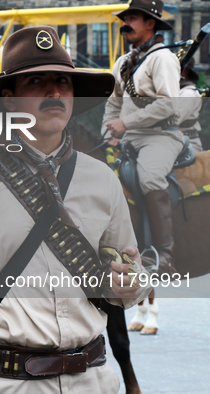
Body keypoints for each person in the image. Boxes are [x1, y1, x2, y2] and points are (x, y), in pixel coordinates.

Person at [0, 26, 151, 393]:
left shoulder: (102, 179)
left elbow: (127, 279)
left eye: (63, 82)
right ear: (8, 100)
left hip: (92, 380)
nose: (54, 92)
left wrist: (130, 283)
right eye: (37, 82)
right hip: (3, 382)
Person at [101, 0, 182, 274]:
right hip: (127, 138)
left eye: (133, 18)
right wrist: (107, 133)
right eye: (126, 18)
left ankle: (165, 256)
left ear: (150, 23)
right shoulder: (123, 62)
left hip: (159, 136)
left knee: (149, 176)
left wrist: (126, 123)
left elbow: (169, 104)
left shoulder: (163, 59)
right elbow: (112, 104)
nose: (125, 24)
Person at [178, 59, 203, 153]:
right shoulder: (176, 91)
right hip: (172, 141)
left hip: (186, 144)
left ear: (184, 72)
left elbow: (171, 121)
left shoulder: (188, 94)